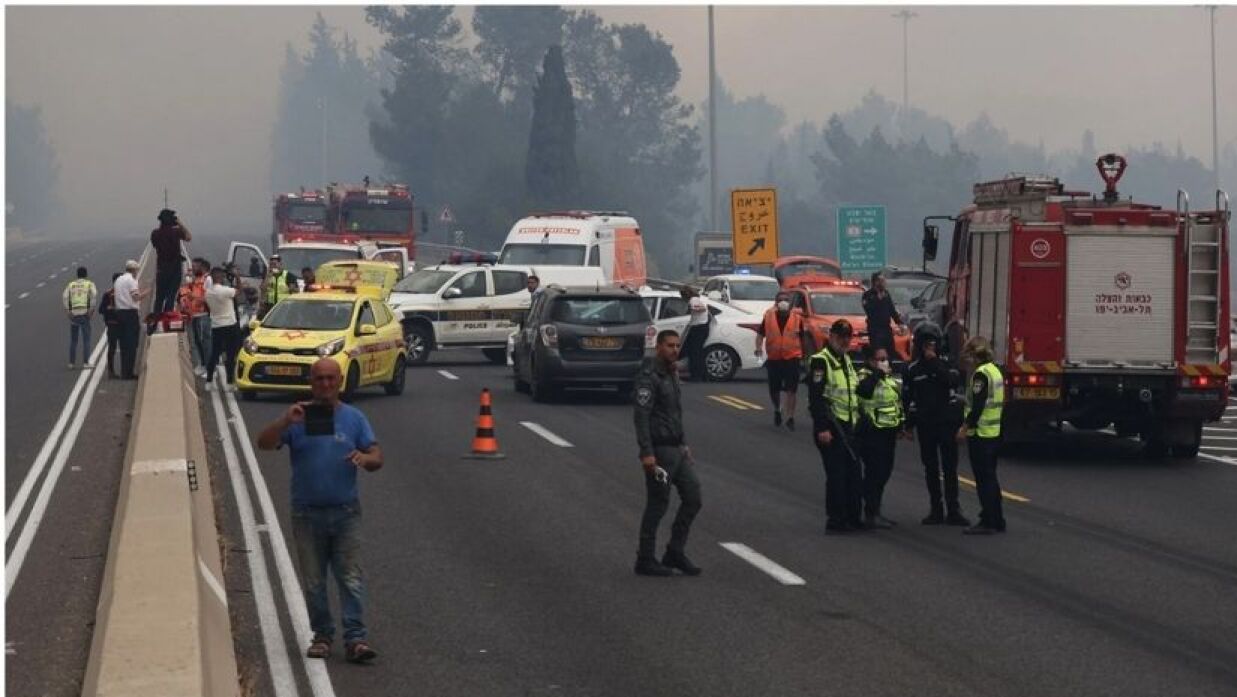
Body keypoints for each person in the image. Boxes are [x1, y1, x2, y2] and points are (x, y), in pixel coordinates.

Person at [255, 358, 382, 663]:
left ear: (339, 382)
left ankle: (356, 639)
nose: (325, 384)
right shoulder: (298, 418)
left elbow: (376, 455)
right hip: (307, 513)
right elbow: (264, 443)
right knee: (313, 581)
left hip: (345, 511)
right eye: (319, 379)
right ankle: (322, 635)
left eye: (330, 379)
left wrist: (365, 459)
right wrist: (285, 421)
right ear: (311, 382)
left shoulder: (354, 418)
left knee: (351, 577)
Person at [633, 329, 703, 577]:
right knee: (658, 504)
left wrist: (683, 443)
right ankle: (645, 557)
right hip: (659, 450)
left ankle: (675, 551)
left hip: (676, 448)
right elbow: (641, 417)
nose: (675, 350)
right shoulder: (649, 376)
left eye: (677, 346)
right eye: (670, 346)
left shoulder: (672, 373)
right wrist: (646, 453)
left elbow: (675, 413)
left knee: (693, 497)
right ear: (659, 347)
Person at [903, 324, 970, 526]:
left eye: (932, 343)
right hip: (926, 424)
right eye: (925, 344)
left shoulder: (947, 363)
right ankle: (936, 508)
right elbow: (908, 399)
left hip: (947, 423)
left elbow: (952, 381)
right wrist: (908, 426)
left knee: (950, 468)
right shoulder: (912, 369)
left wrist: (935, 363)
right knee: (931, 467)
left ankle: (954, 509)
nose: (929, 348)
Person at [808, 319, 865, 533]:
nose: (844, 341)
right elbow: (816, 397)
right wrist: (822, 428)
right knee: (837, 475)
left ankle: (853, 517)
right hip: (832, 425)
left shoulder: (846, 360)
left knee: (853, 473)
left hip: (849, 425)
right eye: (840, 337)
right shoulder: (821, 362)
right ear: (831, 336)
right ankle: (836, 520)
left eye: (847, 337)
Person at [956, 336, 1006, 535]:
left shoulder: (981, 375)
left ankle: (988, 520)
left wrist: (965, 428)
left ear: (974, 355)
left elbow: (977, 406)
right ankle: (997, 518)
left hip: (982, 434)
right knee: (991, 478)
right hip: (994, 432)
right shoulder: (995, 371)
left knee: (984, 480)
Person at [856, 344, 905, 529]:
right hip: (872, 432)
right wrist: (878, 374)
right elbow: (864, 391)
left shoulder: (888, 378)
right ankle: (870, 513)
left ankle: (876, 510)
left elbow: (896, 402)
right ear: (870, 361)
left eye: (886, 358)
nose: (885, 362)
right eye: (880, 359)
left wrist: (901, 424)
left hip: (888, 432)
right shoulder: (864, 375)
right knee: (875, 474)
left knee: (885, 472)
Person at [755, 290, 807, 430]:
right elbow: (760, 334)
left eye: (786, 299)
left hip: (792, 357)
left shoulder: (797, 318)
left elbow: (803, 338)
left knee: (792, 389)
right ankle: (777, 409)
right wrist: (759, 348)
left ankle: (790, 416)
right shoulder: (769, 316)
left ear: (790, 303)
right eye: (780, 300)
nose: (783, 302)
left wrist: (805, 358)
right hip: (774, 358)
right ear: (776, 303)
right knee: (774, 389)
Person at [150, 208, 192, 319]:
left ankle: (156, 318)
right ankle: (167, 317)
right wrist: (180, 223)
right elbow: (188, 237)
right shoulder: (176, 231)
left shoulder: (155, 233)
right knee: (171, 294)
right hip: (175, 267)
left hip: (161, 268)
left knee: (160, 296)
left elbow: (155, 246)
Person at [204, 267, 242, 391]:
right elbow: (239, 291)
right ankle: (229, 382)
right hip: (230, 325)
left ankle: (209, 381)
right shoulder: (225, 291)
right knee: (230, 354)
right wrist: (237, 276)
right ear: (220, 277)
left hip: (216, 325)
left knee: (215, 354)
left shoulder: (208, 293)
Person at [113, 260, 148, 380]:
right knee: (132, 344)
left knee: (123, 344)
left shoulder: (119, 280)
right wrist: (146, 293)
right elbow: (135, 297)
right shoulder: (132, 281)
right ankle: (128, 372)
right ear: (134, 270)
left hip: (119, 313)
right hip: (130, 314)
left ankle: (124, 371)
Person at [179, 258, 213, 377]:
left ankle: (209, 368)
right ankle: (203, 364)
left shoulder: (208, 279)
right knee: (197, 342)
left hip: (204, 315)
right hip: (194, 315)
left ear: (202, 267)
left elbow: (209, 298)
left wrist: (193, 297)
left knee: (206, 342)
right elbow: (187, 292)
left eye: (195, 266)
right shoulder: (195, 279)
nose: (193, 269)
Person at [63, 266, 98, 369]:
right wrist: (91, 309)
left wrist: (67, 310)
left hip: (74, 314)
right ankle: (86, 362)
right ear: (86, 275)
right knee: (86, 339)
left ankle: (71, 363)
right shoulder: (89, 284)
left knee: (74, 340)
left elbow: (65, 297)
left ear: (77, 275)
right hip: (84, 313)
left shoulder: (71, 284)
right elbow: (94, 295)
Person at [861, 271, 904, 355]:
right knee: (879, 353)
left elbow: (892, 310)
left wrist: (899, 323)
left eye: (884, 281)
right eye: (881, 280)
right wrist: (878, 299)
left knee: (890, 352)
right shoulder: (867, 295)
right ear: (875, 282)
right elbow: (868, 310)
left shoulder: (886, 294)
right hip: (875, 330)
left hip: (887, 329)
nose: (884, 283)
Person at [681, 291, 711, 382]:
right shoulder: (698, 299)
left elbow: (703, 308)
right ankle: (702, 375)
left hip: (699, 328)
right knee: (697, 352)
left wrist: (693, 308)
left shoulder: (693, 300)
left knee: (695, 353)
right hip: (700, 327)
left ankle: (696, 375)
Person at [98, 272, 123, 378]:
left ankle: (125, 370)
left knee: (125, 348)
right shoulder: (108, 294)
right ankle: (111, 371)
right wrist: (108, 309)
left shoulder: (125, 293)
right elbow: (101, 310)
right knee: (112, 348)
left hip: (123, 324)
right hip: (112, 324)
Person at [260, 254, 296, 318]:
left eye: (275, 264)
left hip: (284, 306)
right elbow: (263, 289)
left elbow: (294, 290)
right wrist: (268, 276)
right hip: (270, 306)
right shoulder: (268, 276)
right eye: (271, 264)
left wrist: (291, 288)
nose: (273, 266)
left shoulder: (288, 275)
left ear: (281, 264)